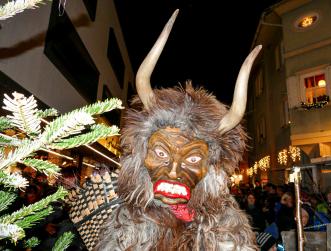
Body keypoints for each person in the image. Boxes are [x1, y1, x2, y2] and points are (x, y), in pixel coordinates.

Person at [95, 10, 263, 250]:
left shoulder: (224, 225)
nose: (173, 172)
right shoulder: (127, 220)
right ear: (142, 156)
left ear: (210, 170)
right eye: (162, 154)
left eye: (193, 158)